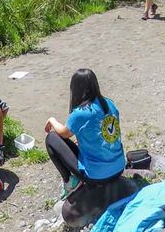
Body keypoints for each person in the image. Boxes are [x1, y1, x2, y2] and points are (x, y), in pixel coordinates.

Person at [43, 69, 126, 198]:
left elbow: (64, 133)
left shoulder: (81, 112)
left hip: (98, 176)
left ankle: (69, 182)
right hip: (119, 167)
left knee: (52, 138)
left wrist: (51, 120)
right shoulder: (109, 103)